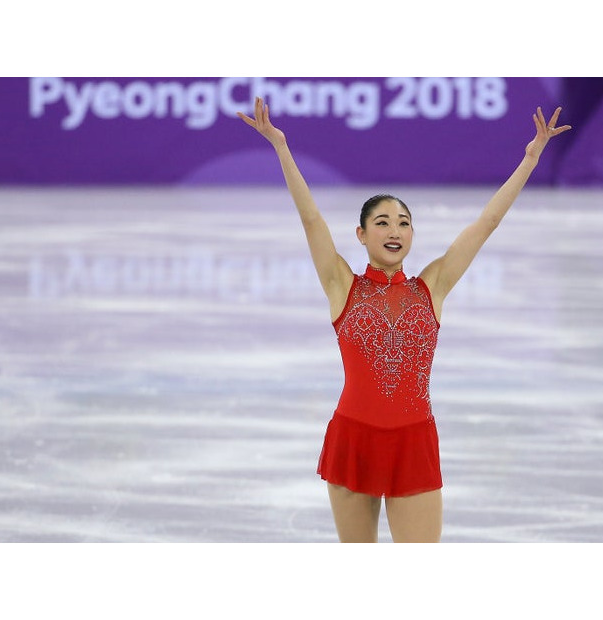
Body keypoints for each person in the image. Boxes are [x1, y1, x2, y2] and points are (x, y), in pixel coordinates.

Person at [238, 96, 571, 542]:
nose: (394, 230)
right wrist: (281, 147)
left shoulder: (432, 285)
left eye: (403, 222)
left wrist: (530, 159)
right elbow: (311, 218)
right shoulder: (343, 286)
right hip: (354, 439)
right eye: (382, 222)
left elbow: (486, 222)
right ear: (361, 234)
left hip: (413, 441)